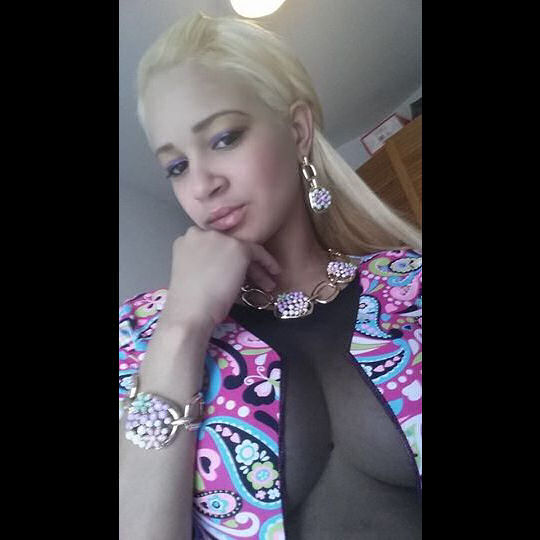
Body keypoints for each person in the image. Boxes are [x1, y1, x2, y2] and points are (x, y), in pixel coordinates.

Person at [119, 12, 422, 540]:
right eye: (176, 167)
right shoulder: (138, 335)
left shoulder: (409, 283)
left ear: (298, 131)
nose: (201, 184)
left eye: (224, 138)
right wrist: (183, 327)